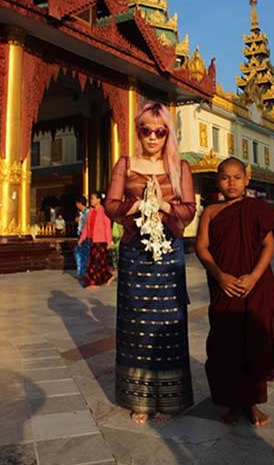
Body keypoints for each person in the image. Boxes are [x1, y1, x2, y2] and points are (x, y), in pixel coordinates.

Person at [105, 102, 196, 425]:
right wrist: (140, 204)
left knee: (168, 326)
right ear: (138, 131)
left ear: (168, 132)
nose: (153, 136)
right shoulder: (126, 164)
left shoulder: (180, 167)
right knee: (135, 326)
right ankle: (140, 399)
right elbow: (110, 206)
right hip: (135, 253)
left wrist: (164, 207)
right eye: (146, 130)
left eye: (160, 131)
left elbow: (189, 210)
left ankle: (169, 401)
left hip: (168, 253)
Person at [196, 157, 274, 427]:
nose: (232, 183)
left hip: (256, 284)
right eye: (225, 177)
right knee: (225, 343)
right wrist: (221, 276)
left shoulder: (257, 208)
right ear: (218, 181)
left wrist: (253, 277)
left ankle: (251, 404)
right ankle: (232, 403)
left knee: (254, 342)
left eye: (237, 177)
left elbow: (268, 245)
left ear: (247, 180)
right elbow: (202, 248)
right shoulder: (211, 212)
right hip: (223, 285)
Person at [78, 191, 114, 288]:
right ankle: (108, 276)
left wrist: (109, 241)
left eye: (93, 198)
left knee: (96, 262)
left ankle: (94, 282)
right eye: (91, 198)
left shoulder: (104, 211)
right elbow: (87, 226)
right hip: (92, 239)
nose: (91, 200)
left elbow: (107, 226)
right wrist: (82, 238)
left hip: (101, 240)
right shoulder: (91, 212)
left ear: (98, 200)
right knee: (98, 261)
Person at [74, 196, 90, 279]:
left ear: (80, 203)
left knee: (83, 254)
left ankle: (84, 272)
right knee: (78, 253)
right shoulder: (81, 213)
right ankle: (81, 272)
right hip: (80, 233)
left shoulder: (88, 213)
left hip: (85, 235)